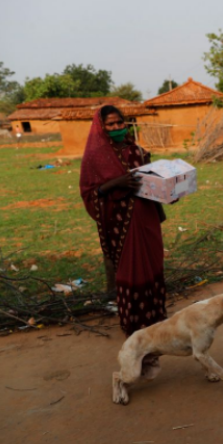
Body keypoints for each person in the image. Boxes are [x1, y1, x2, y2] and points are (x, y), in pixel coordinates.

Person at [80, 106, 168, 342]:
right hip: (120, 222)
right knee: (131, 269)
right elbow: (90, 192)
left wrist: (168, 184)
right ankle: (134, 323)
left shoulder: (136, 150)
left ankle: (155, 315)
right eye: (111, 124)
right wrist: (116, 183)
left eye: (120, 123)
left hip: (147, 215)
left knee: (151, 263)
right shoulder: (95, 157)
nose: (117, 128)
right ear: (101, 127)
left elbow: (150, 181)